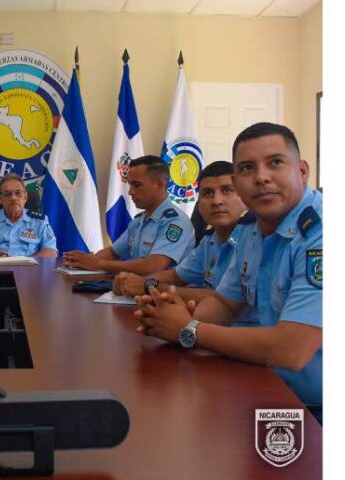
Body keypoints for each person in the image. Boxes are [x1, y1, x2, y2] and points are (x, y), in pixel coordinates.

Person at [133, 123, 322, 419]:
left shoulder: (320, 233)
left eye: (275, 163)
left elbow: (291, 350)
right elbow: (224, 304)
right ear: (238, 181)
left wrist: (188, 329)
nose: (261, 177)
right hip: (267, 386)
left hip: (317, 409)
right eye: (247, 168)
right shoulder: (251, 229)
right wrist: (167, 317)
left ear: (302, 171)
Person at [112, 161, 256, 326]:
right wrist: (130, 283)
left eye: (227, 190)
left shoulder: (254, 240)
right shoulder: (209, 240)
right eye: (208, 193)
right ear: (199, 204)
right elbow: (175, 276)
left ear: (244, 197)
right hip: (208, 328)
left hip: (242, 334)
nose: (217, 201)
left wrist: (148, 286)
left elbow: (223, 299)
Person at [63, 155, 194, 273]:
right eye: (130, 185)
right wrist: (84, 261)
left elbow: (154, 266)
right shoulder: (139, 220)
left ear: (160, 184)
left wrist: (98, 264)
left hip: (164, 290)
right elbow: (113, 252)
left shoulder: (176, 222)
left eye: (137, 185)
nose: (130, 192)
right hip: (135, 289)